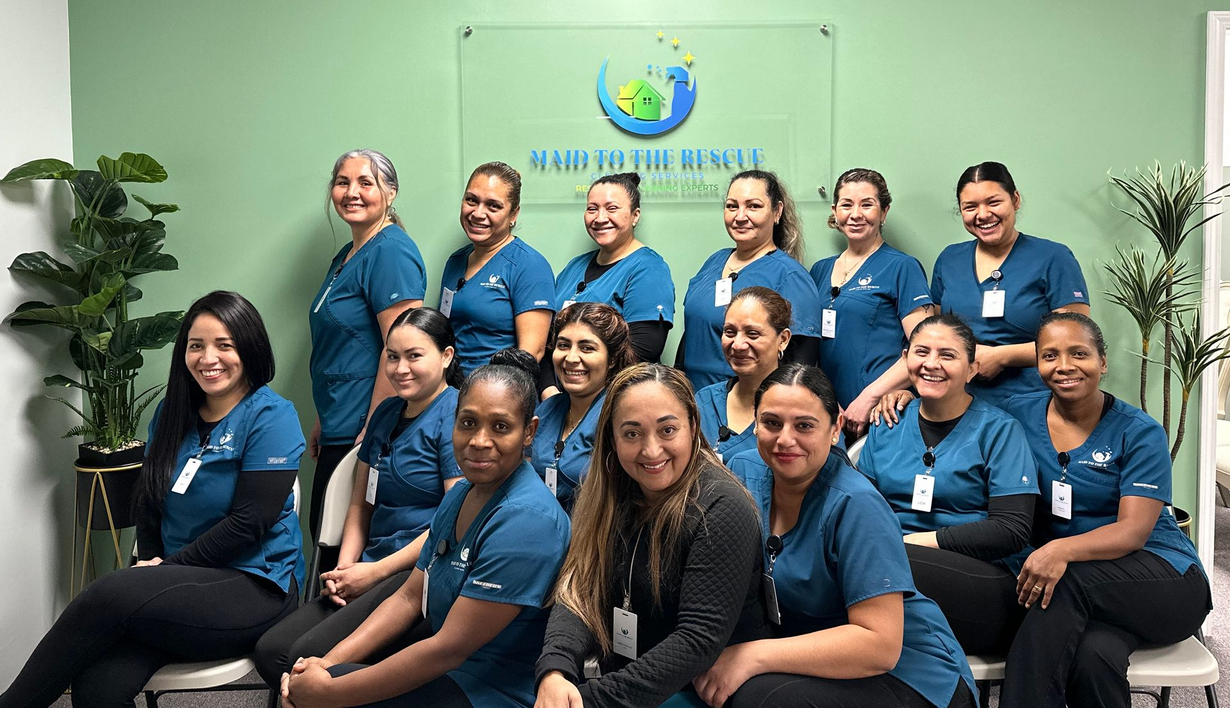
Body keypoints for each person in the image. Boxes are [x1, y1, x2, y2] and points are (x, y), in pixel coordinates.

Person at [0, 291, 304, 707]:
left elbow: (250, 521)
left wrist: (162, 570)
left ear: (249, 349)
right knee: (97, 689)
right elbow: (149, 501)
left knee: (110, 593)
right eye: (196, 346)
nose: (208, 357)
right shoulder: (172, 411)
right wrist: (152, 565)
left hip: (254, 585)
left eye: (224, 344)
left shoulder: (272, 416)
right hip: (177, 587)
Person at [280, 349, 571, 708]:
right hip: (447, 668)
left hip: (490, 690)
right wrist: (328, 665)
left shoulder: (528, 521)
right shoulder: (463, 493)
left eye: (500, 426)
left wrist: (330, 692)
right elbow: (408, 596)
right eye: (468, 423)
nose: (479, 441)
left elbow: (447, 650)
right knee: (307, 683)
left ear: (529, 432)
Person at [707, 364, 976, 708]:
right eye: (771, 423)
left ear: (835, 428)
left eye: (804, 425)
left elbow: (878, 646)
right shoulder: (744, 469)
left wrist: (753, 655)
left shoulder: (856, 504)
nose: (785, 439)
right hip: (809, 649)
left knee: (760, 700)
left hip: (908, 673)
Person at [998, 313, 1210, 708]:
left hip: (1164, 580)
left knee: (1061, 584)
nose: (1064, 366)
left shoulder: (1140, 431)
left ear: (1102, 362)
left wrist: (1058, 550)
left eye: (1079, 353)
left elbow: (1132, 533)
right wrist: (904, 395)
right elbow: (957, 405)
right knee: (1094, 657)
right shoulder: (1018, 412)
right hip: (1091, 594)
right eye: (1050, 355)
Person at [255, 307, 466, 686]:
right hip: (365, 567)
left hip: (415, 574)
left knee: (302, 659)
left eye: (414, 355)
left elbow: (451, 525)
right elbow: (360, 504)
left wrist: (373, 573)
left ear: (446, 356)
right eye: (392, 356)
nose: (401, 368)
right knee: (271, 651)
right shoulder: (385, 413)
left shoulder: (455, 418)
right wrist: (345, 569)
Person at [535, 364, 765, 708]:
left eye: (667, 430)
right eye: (632, 433)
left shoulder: (721, 507)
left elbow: (696, 641)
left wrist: (587, 701)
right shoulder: (608, 491)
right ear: (612, 438)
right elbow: (580, 588)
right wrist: (556, 669)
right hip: (622, 678)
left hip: (695, 689)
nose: (651, 450)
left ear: (692, 426)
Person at [858, 314, 1038, 654]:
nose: (931, 364)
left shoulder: (999, 431)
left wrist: (911, 542)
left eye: (947, 355)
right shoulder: (887, 422)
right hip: (889, 572)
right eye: (921, 352)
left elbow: (1011, 530)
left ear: (972, 369)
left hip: (983, 580)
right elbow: (861, 507)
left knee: (878, 563)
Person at [309, 148, 426, 538]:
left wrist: (373, 429)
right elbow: (344, 344)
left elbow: (405, 354)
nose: (351, 192)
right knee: (324, 537)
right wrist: (322, 418)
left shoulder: (390, 251)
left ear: (390, 192)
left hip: (364, 425)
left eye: (365, 182)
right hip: (338, 419)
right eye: (343, 182)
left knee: (340, 547)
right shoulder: (348, 254)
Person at [930, 161, 1088, 407]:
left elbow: (1075, 342)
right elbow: (936, 334)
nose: (982, 214)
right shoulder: (949, 259)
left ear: (1015, 200)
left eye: (993, 202)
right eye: (970, 207)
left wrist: (1002, 357)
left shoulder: (1053, 257)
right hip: (957, 401)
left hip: (1034, 402)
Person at [809, 169, 932, 437]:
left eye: (867, 204)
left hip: (882, 412)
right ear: (834, 210)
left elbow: (925, 349)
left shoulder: (902, 268)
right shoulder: (819, 270)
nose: (855, 214)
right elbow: (809, 349)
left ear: (884, 212)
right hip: (829, 413)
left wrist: (868, 398)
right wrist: (825, 401)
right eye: (846, 205)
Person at [679, 169, 822, 390]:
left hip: (746, 405)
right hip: (694, 401)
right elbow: (694, 331)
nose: (740, 216)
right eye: (732, 206)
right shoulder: (713, 262)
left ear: (777, 212)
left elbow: (801, 366)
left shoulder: (790, 276)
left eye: (753, 206)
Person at [439, 161, 555, 376]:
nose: (478, 213)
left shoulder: (529, 265)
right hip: (451, 392)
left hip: (499, 395)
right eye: (471, 200)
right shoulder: (455, 261)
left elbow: (531, 354)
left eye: (493, 206)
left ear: (513, 214)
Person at [553, 173, 675, 363]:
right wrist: (549, 388)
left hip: (613, 390)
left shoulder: (648, 268)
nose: (600, 218)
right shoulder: (574, 267)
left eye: (612, 208)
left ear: (635, 216)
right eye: (592, 209)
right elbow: (548, 338)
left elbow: (643, 350)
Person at [530, 302, 636, 512]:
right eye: (563, 345)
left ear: (612, 358)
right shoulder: (547, 409)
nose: (571, 358)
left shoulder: (619, 416)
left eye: (587, 348)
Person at [696, 286, 791, 463]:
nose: (738, 345)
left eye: (752, 334)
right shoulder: (704, 401)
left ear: (783, 340)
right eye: (730, 332)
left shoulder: (805, 408)